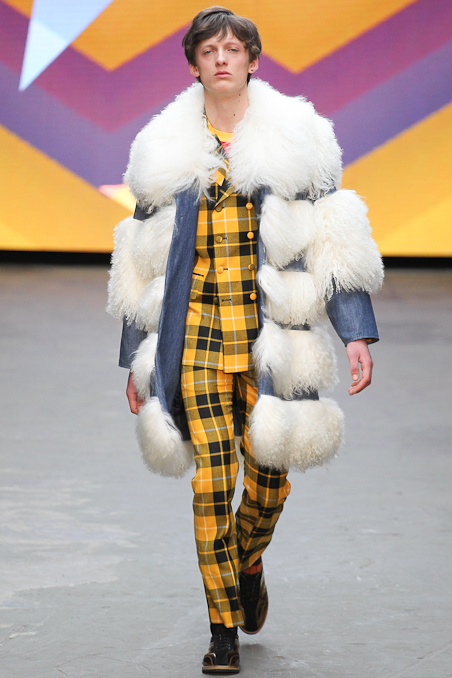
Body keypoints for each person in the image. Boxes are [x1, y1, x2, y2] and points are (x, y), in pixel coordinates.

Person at [107, 6, 383, 674]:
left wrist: (354, 333)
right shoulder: (163, 150)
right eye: (209, 50)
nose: (222, 59)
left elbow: (334, 240)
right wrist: (135, 359)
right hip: (195, 339)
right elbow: (140, 259)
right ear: (195, 64)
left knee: (266, 484)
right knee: (212, 484)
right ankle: (222, 630)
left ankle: (246, 561)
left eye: (233, 49)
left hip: (273, 340)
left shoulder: (299, 139)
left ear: (253, 60)